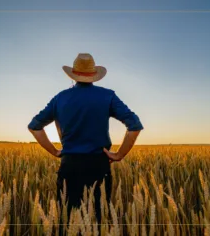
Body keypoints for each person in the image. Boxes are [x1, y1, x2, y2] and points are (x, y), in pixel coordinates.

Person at [28, 53, 144, 233]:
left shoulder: (60, 98)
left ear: (74, 75)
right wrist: (119, 154)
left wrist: (54, 151)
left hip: (70, 166)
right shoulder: (107, 96)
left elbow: (35, 126)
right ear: (93, 75)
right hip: (98, 166)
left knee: (66, 222)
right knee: (97, 220)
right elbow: (134, 125)